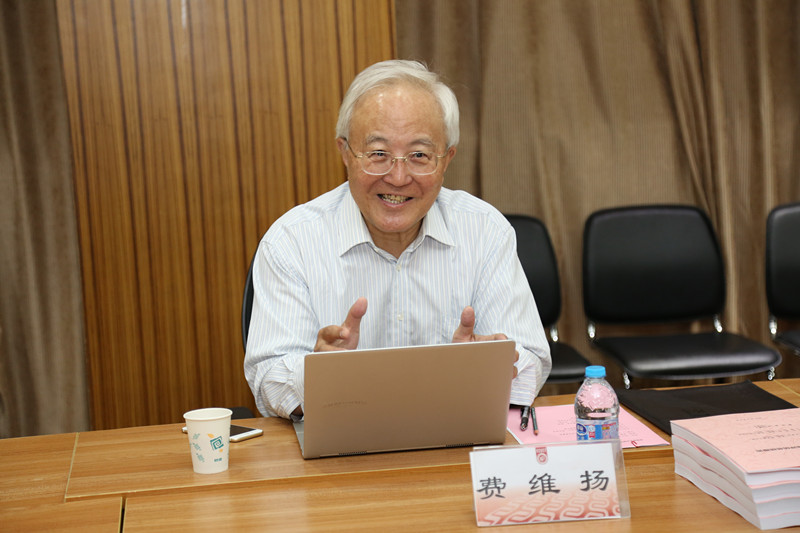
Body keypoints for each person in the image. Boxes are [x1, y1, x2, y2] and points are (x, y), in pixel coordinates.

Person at [244, 59, 551, 419]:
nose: (399, 177)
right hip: (340, 439)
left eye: (419, 155)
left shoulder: (485, 230)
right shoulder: (292, 241)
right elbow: (267, 381)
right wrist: (317, 374)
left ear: (446, 159)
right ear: (345, 152)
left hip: (456, 433)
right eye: (378, 154)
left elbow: (531, 361)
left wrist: (488, 365)